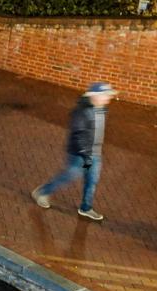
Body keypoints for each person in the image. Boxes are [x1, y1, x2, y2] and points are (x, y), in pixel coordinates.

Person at [31, 82, 116, 221]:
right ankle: (42, 192)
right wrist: (86, 154)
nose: (108, 98)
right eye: (105, 95)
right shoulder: (81, 112)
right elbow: (78, 135)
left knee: (92, 181)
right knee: (69, 176)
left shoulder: (103, 110)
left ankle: (86, 208)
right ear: (95, 96)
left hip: (94, 154)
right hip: (80, 154)